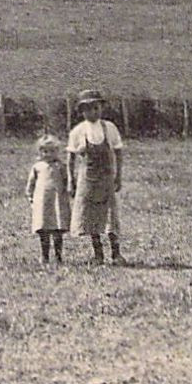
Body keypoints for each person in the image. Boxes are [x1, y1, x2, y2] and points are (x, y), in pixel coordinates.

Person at [66, 88, 125, 265]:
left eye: (96, 107)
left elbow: (118, 153)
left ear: (101, 108)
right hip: (88, 180)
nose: (93, 112)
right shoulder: (78, 132)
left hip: (106, 179)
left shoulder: (109, 128)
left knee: (110, 216)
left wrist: (118, 176)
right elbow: (70, 158)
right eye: (88, 108)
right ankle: (98, 253)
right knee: (92, 216)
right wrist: (71, 179)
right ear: (82, 111)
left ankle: (116, 253)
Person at [25, 134, 70, 264]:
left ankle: (58, 255)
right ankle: (44, 255)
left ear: (57, 151)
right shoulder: (38, 167)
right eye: (45, 151)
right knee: (43, 229)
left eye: (52, 151)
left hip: (57, 201)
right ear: (40, 152)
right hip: (43, 202)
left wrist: (69, 191)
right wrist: (30, 196)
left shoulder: (61, 166)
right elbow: (31, 184)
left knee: (57, 229)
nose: (48, 154)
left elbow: (67, 181)